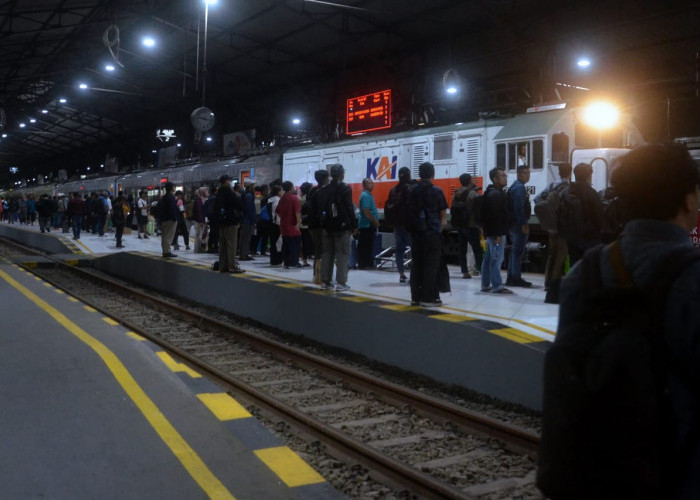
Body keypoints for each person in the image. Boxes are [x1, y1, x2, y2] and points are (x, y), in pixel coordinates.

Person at [538, 143, 700, 499]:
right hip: (675, 474)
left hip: (597, 468)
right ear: (689, 200)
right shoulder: (692, 277)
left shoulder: (586, 272)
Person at [406, 162, 447, 307]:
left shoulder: (412, 190)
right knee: (431, 265)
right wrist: (441, 223)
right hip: (432, 233)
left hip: (416, 234)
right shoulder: (436, 190)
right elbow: (443, 212)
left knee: (417, 264)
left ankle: (415, 297)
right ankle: (428, 297)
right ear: (433, 174)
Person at [317, 163, 357, 291]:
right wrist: (353, 225)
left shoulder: (324, 189)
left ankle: (325, 281)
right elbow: (349, 208)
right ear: (341, 174)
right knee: (343, 254)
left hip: (327, 226)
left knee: (327, 254)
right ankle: (341, 282)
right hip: (342, 227)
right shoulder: (345, 188)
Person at [559, 162, 604, 265]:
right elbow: (599, 217)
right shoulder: (591, 193)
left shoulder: (566, 192)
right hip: (590, 238)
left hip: (571, 237)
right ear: (589, 176)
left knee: (574, 263)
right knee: (590, 266)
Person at [540, 163, 572, 291]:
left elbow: (538, 199)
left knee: (552, 254)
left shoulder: (552, 185)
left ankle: (547, 282)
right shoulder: (568, 187)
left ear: (559, 172)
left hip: (551, 226)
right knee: (561, 255)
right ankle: (554, 284)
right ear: (570, 173)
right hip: (562, 227)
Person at [480, 167, 512, 294]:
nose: (505, 177)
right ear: (495, 179)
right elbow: (497, 216)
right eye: (502, 175)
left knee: (488, 258)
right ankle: (497, 285)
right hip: (497, 234)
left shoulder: (490, 192)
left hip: (491, 232)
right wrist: (499, 234)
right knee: (496, 258)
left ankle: (485, 284)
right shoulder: (496, 195)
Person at [451, 173, 482, 280]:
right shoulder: (473, 194)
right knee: (477, 249)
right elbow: (478, 211)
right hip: (471, 225)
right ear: (470, 181)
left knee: (462, 250)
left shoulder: (455, 194)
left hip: (460, 225)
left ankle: (464, 272)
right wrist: (480, 226)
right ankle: (482, 270)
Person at [506, 165, 532, 287]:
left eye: (528, 173)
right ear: (519, 174)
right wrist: (523, 223)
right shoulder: (519, 188)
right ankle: (515, 277)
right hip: (518, 224)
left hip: (513, 223)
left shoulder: (514, 186)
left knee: (515, 251)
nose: (528, 176)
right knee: (518, 251)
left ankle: (511, 277)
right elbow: (519, 207)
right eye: (525, 173)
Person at [386, 167, 413, 283]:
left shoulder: (393, 190)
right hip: (408, 225)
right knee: (415, 250)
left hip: (397, 225)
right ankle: (414, 275)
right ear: (408, 175)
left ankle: (401, 274)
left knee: (399, 251)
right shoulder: (410, 189)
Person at [215, 175, 245, 273]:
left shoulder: (218, 193)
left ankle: (222, 266)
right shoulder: (230, 193)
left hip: (221, 222)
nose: (231, 182)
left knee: (223, 245)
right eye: (230, 180)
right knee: (231, 244)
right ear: (226, 182)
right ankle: (232, 266)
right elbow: (240, 205)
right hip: (231, 221)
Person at [306, 170, 330, 283]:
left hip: (311, 224)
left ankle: (316, 275)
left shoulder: (312, 190)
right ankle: (321, 276)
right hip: (320, 225)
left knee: (318, 250)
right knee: (323, 250)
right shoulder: (324, 191)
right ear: (325, 178)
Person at [276, 181, 303, 269]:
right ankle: (294, 262)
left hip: (284, 224)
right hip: (292, 226)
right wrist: (298, 223)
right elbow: (297, 212)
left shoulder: (282, 198)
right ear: (291, 188)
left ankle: (286, 262)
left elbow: (278, 211)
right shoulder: (294, 198)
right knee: (295, 244)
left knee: (286, 244)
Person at [357, 178, 380, 269]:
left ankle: (366, 263)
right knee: (365, 246)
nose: (372, 185)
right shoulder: (365, 196)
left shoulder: (368, 195)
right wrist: (375, 222)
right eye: (369, 183)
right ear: (364, 185)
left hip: (367, 225)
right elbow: (366, 211)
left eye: (372, 183)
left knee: (367, 245)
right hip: (366, 225)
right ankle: (364, 264)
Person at [159, 182, 178, 258]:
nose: (175, 188)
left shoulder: (164, 197)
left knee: (165, 235)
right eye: (174, 186)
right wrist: (174, 218)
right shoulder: (171, 197)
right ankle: (167, 252)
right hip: (170, 219)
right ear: (171, 188)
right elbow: (172, 208)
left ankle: (165, 251)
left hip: (164, 219)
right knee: (168, 236)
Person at [239, 179, 256, 261]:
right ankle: (244, 255)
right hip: (247, 220)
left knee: (244, 238)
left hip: (245, 219)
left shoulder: (244, 194)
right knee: (246, 238)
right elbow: (250, 209)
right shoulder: (249, 196)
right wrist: (253, 221)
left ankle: (243, 253)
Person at [267, 185, 283, 266]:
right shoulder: (277, 201)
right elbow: (277, 215)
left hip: (271, 223)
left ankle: (273, 259)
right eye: (281, 191)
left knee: (274, 243)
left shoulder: (270, 200)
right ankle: (277, 260)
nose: (282, 192)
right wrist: (280, 225)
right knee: (278, 243)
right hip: (277, 224)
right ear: (278, 192)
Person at [256, 185, 271, 256]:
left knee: (259, 235)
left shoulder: (258, 197)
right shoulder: (266, 199)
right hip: (265, 219)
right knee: (264, 235)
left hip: (259, 218)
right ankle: (262, 250)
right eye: (267, 190)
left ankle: (255, 249)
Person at [192, 187, 208, 253]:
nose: (207, 193)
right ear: (203, 192)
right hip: (200, 221)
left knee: (199, 234)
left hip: (200, 220)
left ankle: (198, 248)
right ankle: (198, 248)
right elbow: (199, 212)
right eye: (206, 192)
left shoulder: (201, 200)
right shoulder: (199, 201)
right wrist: (201, 221)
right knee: (199, 235)